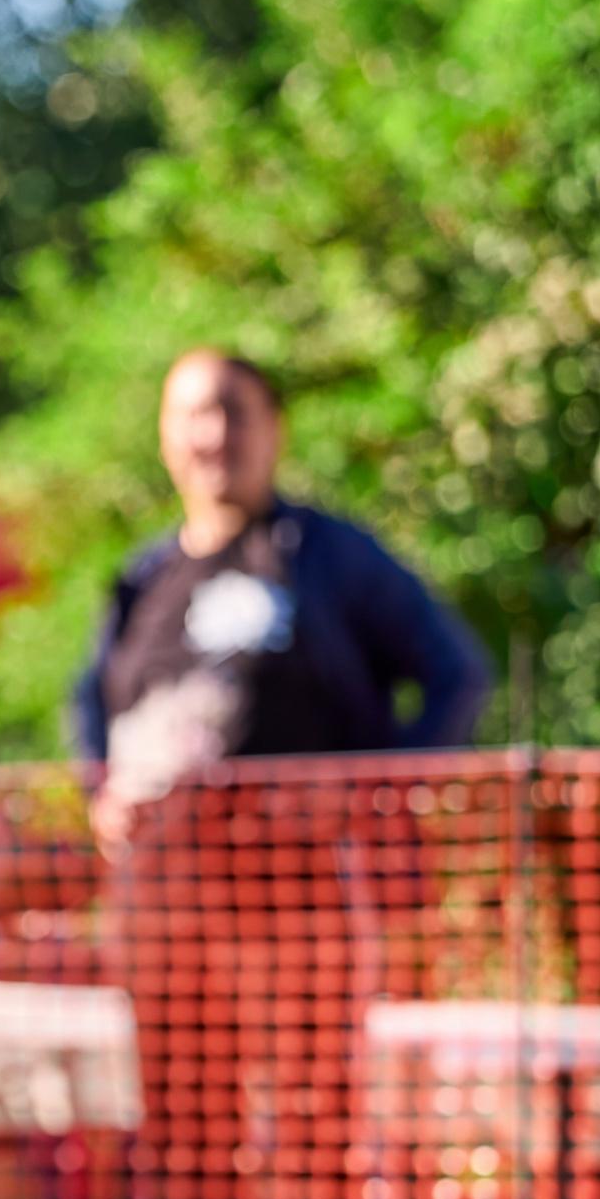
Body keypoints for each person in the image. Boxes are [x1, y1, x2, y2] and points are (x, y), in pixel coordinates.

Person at [76, 350, 488, 843]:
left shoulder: (331, 555)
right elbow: (89, 699)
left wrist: (386, 795)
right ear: (165, 437)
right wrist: (101, 796)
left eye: (235, 412)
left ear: (275, 430)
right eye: (194, 415)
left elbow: (457, 672)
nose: (214, 434)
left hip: (311, 878)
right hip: (165, 880)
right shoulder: (143, 578)